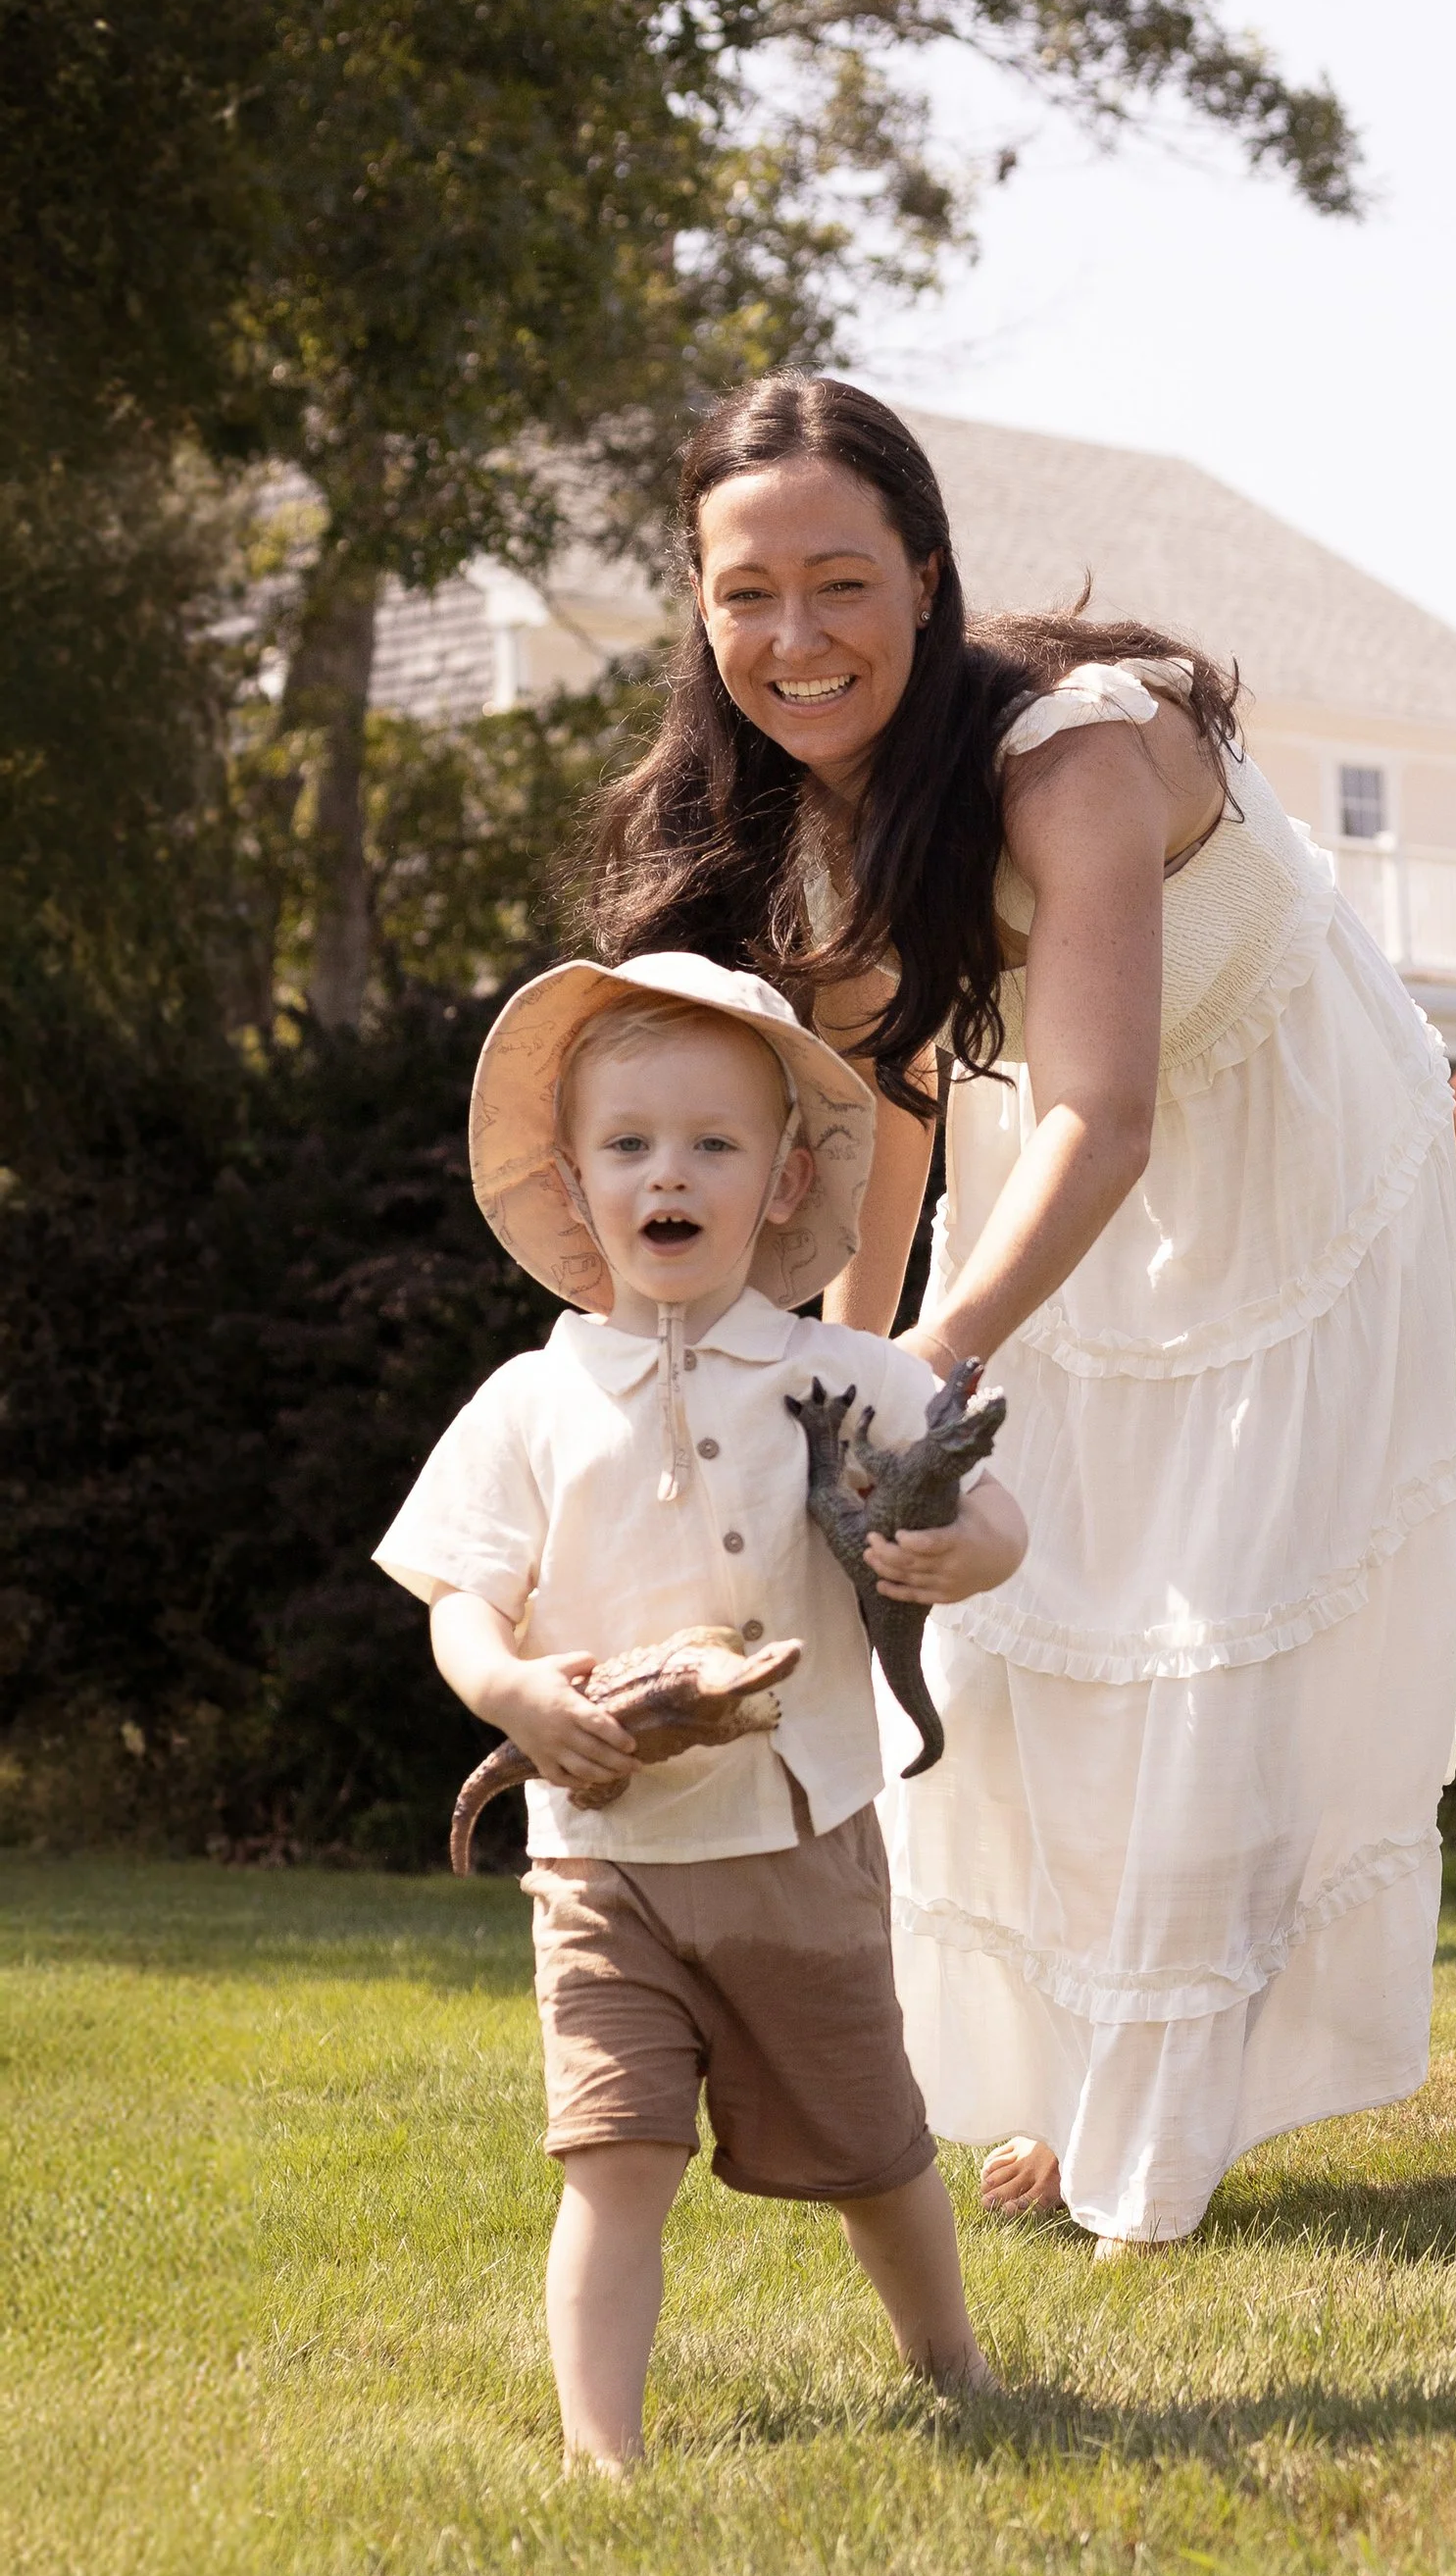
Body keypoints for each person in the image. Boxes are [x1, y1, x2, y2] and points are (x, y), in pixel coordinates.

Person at [588, 379, 1456, 2255]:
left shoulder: (1073, 753)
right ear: (700, 605)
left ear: (925, 575)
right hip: (1047, 1128)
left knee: (1205, 1607)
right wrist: (825, 1371)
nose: (794, 636)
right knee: (1016, 1617)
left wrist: (929, 1360)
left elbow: (1112, 1112)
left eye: (841, 582)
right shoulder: (810, 810)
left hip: (1281, 1150)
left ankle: (1147, 2138)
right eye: (747, 593)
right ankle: (1066, 2086)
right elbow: (893, 1104)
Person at [374, 949, 1028, 2466]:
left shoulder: (846, 1372)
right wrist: (516, 1689)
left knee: (873, 2147)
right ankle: (602, 2452)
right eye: (630, 1145)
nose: (669, 1173)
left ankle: (952, 2361)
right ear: (575, 1175)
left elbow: (997, 1517)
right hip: (602, 1862)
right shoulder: (530, 1403)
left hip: (799, 1841)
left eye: (712, 1144)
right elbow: (461, 1602)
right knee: (612, 2155)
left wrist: (952, 1548)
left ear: (786, 1175)